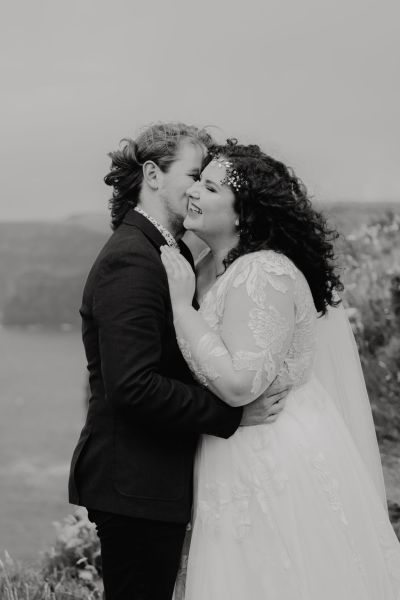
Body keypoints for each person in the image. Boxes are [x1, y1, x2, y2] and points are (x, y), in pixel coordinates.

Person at [161, 140, 400, 599]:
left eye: (209, 187)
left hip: (272, 453)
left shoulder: (262, 271)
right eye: (198, 181)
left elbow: (238, 385)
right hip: (236, 452)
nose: (193, 192)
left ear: (242, 214)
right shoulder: (215, 267)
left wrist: (179, 307)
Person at [68, 123, 287, 600]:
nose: (197, 190)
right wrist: (234, 415)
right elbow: (133, 386)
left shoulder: (170, 254)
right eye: (194, 174)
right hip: (136, 487)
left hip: (155, 481)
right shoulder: (132, 259)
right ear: (152, 174)